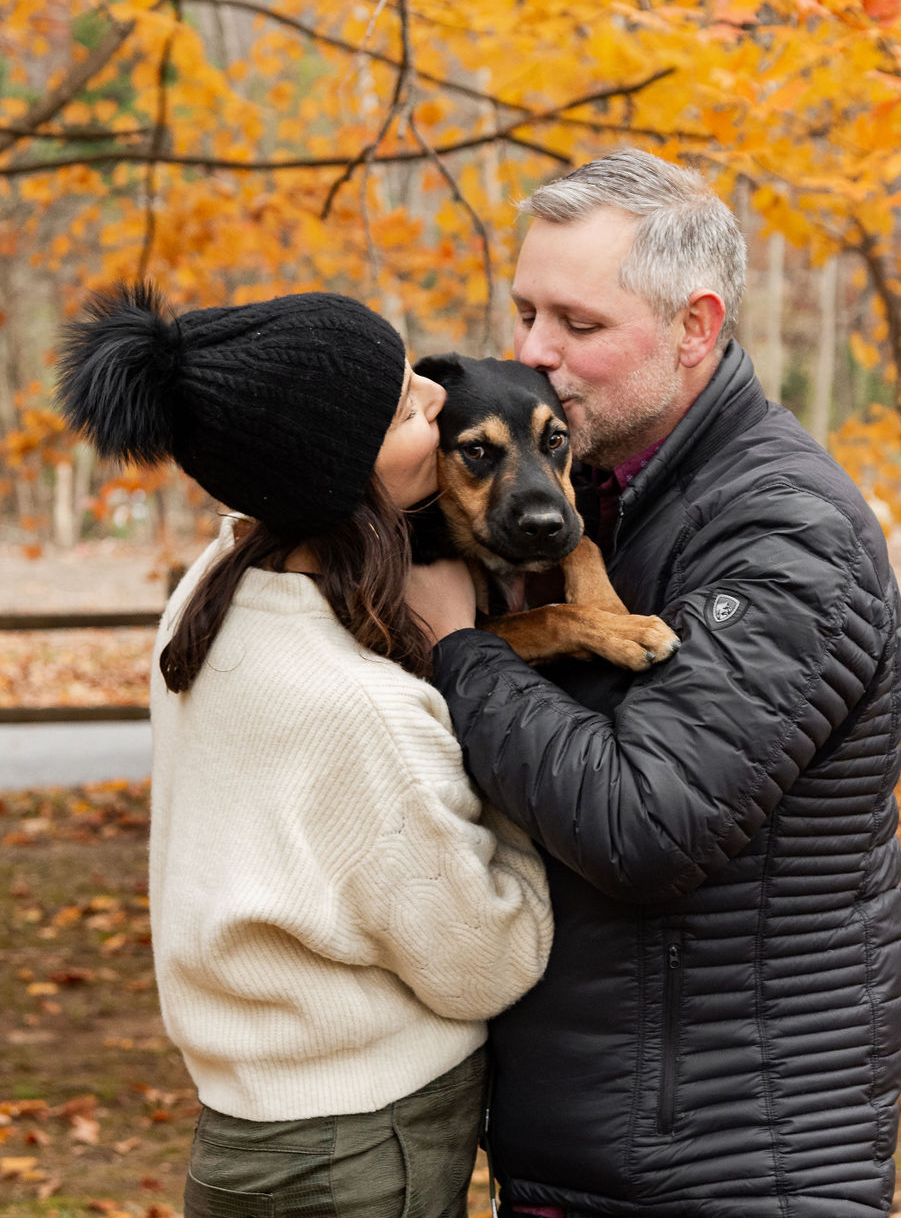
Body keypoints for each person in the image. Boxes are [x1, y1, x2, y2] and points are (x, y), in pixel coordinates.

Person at [412, 149, 901, 1218]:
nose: (535, 350)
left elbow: (646, 823)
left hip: (726, 1167)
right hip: (598, 1148)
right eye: (526, 312)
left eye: (577, 325)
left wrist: (459, 649)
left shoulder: (782, 534)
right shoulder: (609, 492)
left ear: (694, 328)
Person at [55, 283, 552, 1218]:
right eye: (407, 406)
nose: (438, 396)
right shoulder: (356, 708)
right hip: (359, 1146)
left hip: (249, 1122)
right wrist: (515, 798)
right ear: (339, 473)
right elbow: (486, 959)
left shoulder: (214, 590)